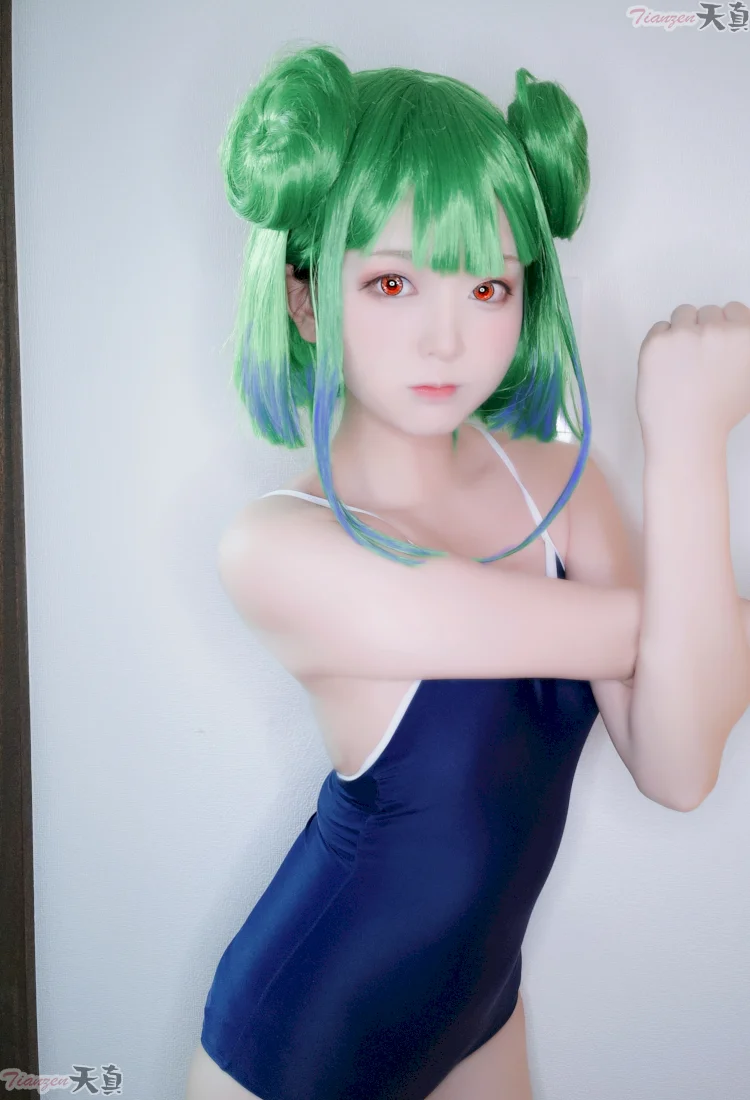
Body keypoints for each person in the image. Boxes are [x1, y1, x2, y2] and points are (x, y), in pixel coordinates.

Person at [185, 42, 750, 1100]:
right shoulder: (278, 549)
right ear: (305, 297)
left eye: (488, 284)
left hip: (483, 1011)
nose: (447, 337)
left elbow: (678, 767)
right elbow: (661, 637)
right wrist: (688, 451)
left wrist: (689, 447)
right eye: (392, 281)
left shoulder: (560, 484)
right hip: (302, 1039)